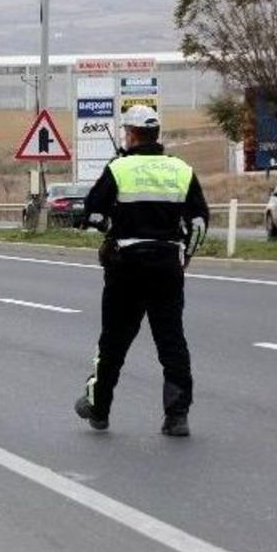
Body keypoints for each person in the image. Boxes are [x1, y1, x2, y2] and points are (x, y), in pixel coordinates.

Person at [74, 105, 209, 437]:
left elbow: (92, 216)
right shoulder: (181, 170)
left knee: (114, 342)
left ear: (131, 134)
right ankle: (177, 416)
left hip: (126, 267)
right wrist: (186, 256)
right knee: (171, 342)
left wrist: (107, 226)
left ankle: (100, 409)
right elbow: (199, 222)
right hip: (167, 265)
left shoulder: (119, 168)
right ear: (156, 135)